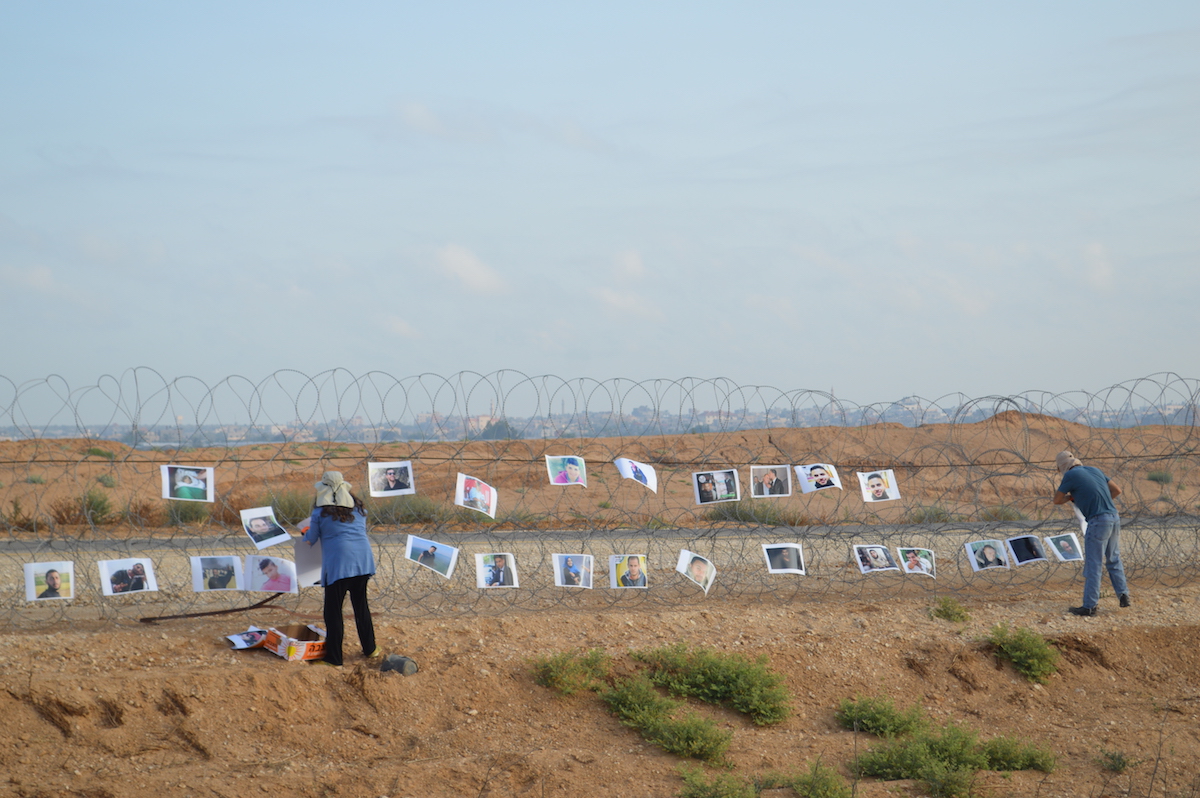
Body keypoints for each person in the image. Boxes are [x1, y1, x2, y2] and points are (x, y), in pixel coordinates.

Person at [303, 471, 379, 666]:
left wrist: (305, 532)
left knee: (333, 612)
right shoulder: (360, 510)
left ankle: (334, 658)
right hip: (362, 561)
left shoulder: (320, 513)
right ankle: (370, 649)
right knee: (361, 606)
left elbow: (311, 539)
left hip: (339, 565)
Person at [1053, 450, 1129, 616]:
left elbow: (1057, 500)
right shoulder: (1094, 470)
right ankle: (1123, 595)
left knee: (1093, 564)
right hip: (1114, 516)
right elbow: (1117, 490)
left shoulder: (1070, 476)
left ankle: (1089, 606)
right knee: (1113, 558)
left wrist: (1071, 498)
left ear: (1062, 467)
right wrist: (1098, 499)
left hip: (1098, 521)